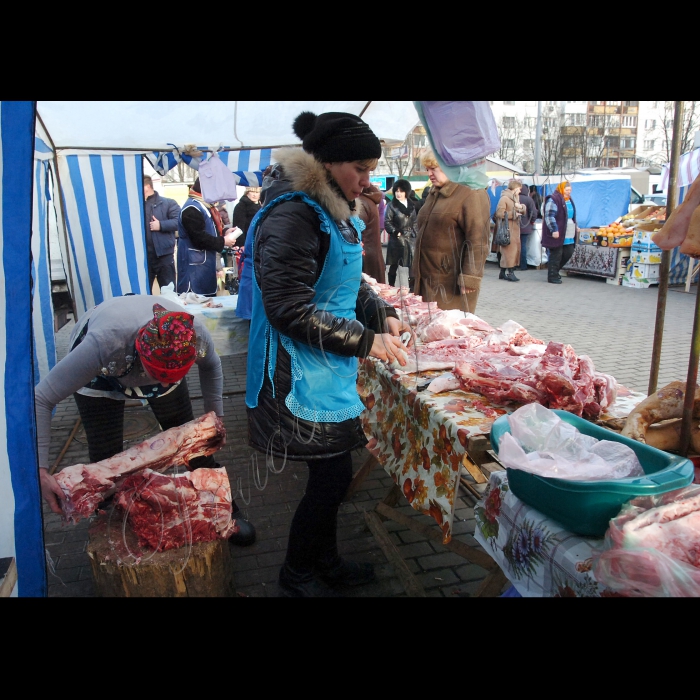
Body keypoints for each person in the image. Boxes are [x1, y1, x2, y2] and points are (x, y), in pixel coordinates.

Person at [246, 110, 412, 597]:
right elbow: (287, 306)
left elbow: (344, 279)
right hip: (292, 371)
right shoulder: (294, 214)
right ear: (327, 162)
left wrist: (380, 313)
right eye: (359, 168)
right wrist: (367, 340)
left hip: (326, 364)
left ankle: (326, 562)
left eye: (370, 168)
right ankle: (297, 574)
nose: (367, 180)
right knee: (330, 478)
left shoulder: (333, 211)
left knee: (333, 475)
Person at [35, 295, 256, 546]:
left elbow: (212, 366)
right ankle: (113, 530)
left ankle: (225, 510)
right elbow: (41, 398)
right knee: (106, 459)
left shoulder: (195, 334)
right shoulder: (104, 343)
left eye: (171, 377)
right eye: (160, 375)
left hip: (151, 354)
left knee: (195, 443)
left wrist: (214, 418)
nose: (162, 383)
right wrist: (40, 471)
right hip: (103, 373)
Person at [412, 152, 491, 312]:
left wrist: (470, 277)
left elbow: (478, 239)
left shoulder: (471, 192)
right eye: (427, 169)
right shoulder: (434, 193)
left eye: (434, 168)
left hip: (450, 283)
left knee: (448, 330)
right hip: (426, 277)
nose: (429, 174)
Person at [177, 178, 241, 296]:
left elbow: (209, 229)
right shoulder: (191, 208)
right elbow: (198, 238)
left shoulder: (204, 206)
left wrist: (225, 232)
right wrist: (223, 241)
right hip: (194, 271)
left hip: (204, 267)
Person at [143, 176, 180, 291]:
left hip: (164, 257)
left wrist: (161, 225)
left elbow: (180, 222)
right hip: (144, 258)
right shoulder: (136, 205)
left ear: (147, 187)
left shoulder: (168, 203)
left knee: (169, 294)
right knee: (143, 295)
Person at [541, 181, 579, 284]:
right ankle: (552, 275)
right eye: (567, 190)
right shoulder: (553, 199)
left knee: (569, 252)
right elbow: (549, 215)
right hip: (558, 230)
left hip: (569, 231)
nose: (569, 192)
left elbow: (571, 215)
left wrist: (576, 226)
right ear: (561, 189)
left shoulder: (569, 200)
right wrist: (554, 229)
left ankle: (555, 271)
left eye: (570, 190)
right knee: (557, 253)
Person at [384, 179, 418, 288]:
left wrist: (415, 233)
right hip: (397, 240)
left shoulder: (411, 205)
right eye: (397, 191)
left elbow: (415, 222)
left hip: (410, 239)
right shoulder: (391, 205)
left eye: (401, 191)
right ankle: (391, 286)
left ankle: (412, 290)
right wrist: (395, 232)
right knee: (394, 265)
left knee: (412, 265)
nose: (398, 194)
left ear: (406, 192)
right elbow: (387, 222)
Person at [494, 179, 527, 282]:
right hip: (507, 229)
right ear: (515, 188)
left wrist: (521, 207)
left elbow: (523, 210)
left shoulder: (515, 198)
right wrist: (513, 214)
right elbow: (499, 213)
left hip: (515, 229)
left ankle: (502, 273)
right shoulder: (504, 198)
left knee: (511, 251)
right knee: (509, 251)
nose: (520, 191)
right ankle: (510, 273)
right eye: (519, 189)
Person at [357, 183, 386, 283]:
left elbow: (356, 235)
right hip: (372, 258)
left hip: (366, 262)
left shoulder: (360, 202)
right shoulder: (367, 200)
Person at [518, 183, 537, 271]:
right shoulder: (529, 199)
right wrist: (532, 221)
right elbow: (533, 213)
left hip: (514, 226)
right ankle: (523, 265)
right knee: (523, 246)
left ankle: (513, 264)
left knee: (514, 246)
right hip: (526, 226)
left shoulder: (514, 198)